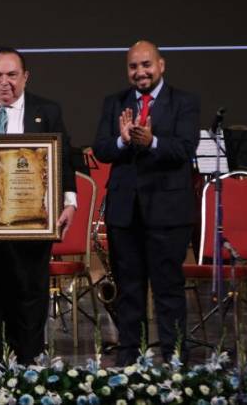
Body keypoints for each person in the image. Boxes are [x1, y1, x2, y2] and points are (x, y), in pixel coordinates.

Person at [0, 47, 77, 382]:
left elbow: (64, 157)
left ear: (25, 77)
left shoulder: (46, 111)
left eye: (11, 75)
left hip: (32, 221)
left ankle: (30, 358)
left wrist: (69, 202)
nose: (3, 82)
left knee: (30, 291)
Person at [92, 40, 200, 365]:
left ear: (161, 65)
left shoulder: (184, 102)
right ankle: (130, 361)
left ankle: (173, 359)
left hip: (168, 213)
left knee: (168, 289)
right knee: (129, 291)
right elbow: (101, 149)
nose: (140, 72)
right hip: (125, 215)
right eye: (133, 66)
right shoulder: (115, 103)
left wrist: (151, 141)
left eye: (146, 65)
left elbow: (184, 149)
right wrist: (122, 140)